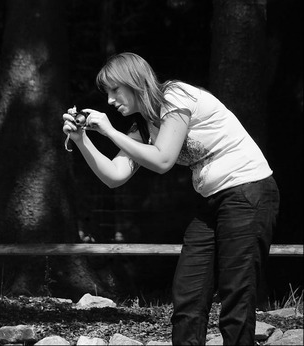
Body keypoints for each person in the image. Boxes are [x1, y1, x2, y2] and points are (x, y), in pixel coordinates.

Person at [62, 52, 280, 345]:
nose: (111, 100)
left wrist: (110, 131)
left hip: (248, 190)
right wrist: (82, 140)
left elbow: (163, 159)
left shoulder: (175, 96)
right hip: (211, 201)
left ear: (134, 81)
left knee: (236, 294)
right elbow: (114, 175)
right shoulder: (141, 127)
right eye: (107, 93)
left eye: (115, 90)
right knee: (188, 294)